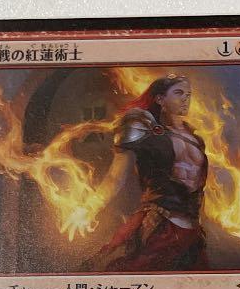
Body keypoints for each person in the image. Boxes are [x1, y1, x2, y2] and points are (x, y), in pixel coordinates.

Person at [89, 73, 209, 271]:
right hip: (160, 222)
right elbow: (115, 176)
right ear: (160, 99)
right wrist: (90, 206)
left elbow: (199, 186)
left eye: (189, 94)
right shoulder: (144, 130)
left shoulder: (196, 139)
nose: (186, 98)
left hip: (191, 231)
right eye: (179, 93)